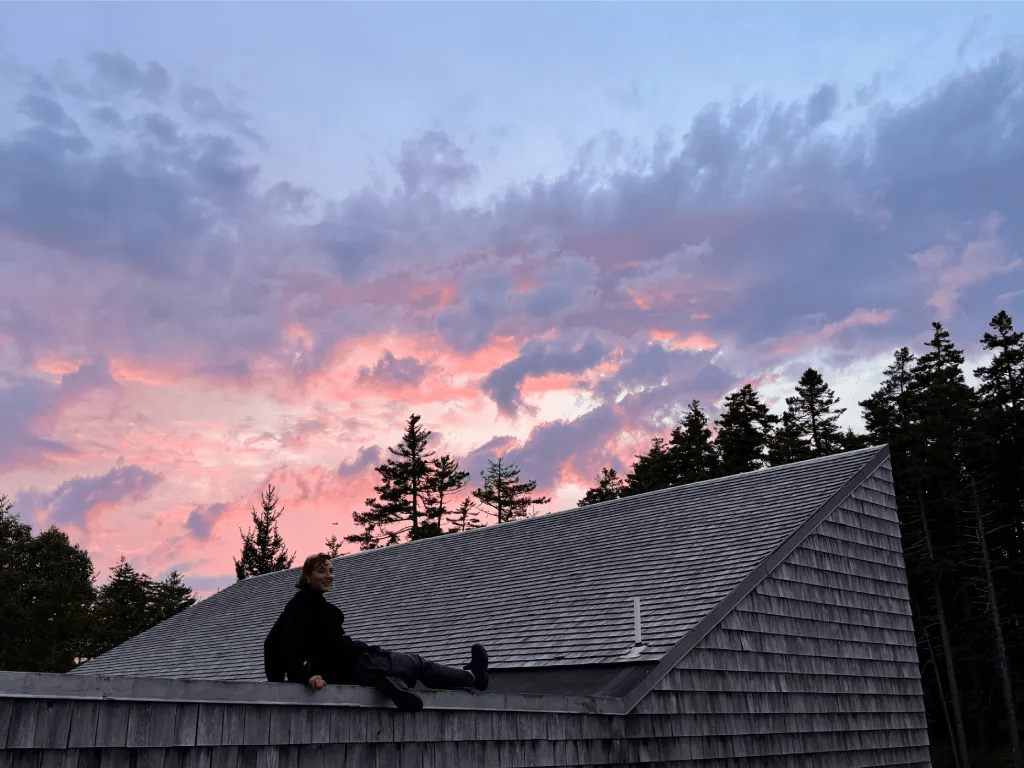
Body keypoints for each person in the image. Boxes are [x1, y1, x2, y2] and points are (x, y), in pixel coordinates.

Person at [264, 553, 489, 712]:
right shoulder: (305, 603)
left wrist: (279, 680)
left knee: (384, 673)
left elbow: (272, 642)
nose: (329, 576)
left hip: (344, 671)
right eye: (322, 571)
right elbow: (286, 642)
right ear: (307, 576)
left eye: (331, 571)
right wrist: (302, 676)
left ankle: (389, 685)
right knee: (418, 664)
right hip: (355, 662)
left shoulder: (305, 604)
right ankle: (475, 678)